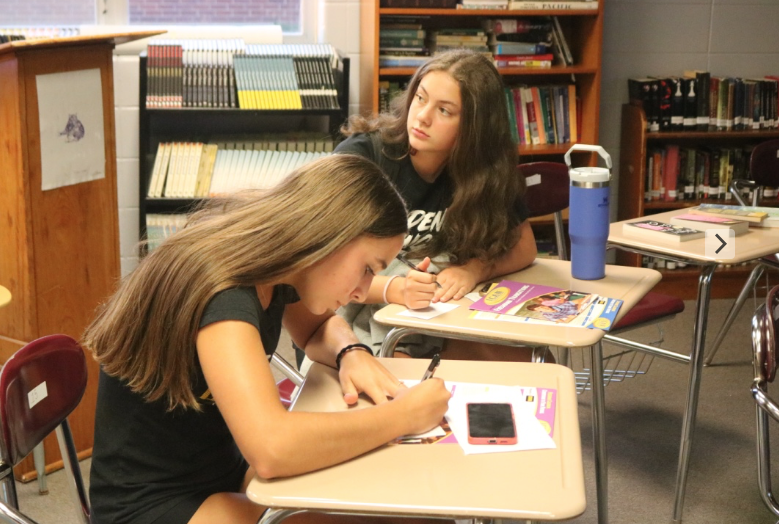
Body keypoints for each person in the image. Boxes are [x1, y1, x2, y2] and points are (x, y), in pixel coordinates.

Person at [82, 154, 452, 524]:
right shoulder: (223, 292)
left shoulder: (278, 268)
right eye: (367, 268)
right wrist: (404, 416)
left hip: (217, 465)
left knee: (384, 500)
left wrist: (350, 351)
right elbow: (271, 448)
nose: (361, 292)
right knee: (384, 516)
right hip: (149, 504)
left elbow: (315, 328)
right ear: (329, 236)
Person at [334, 48, 538, 361]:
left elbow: (525, 248)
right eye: (420, 97)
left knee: (530, 366)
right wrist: (395, 289)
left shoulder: (487, 172)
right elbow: (321, 269)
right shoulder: (363, 156)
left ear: (474, 127)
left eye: (444, 111)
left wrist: (474, 269)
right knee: (412, 384)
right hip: (347, 312)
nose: (422, 116)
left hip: (432, 311)